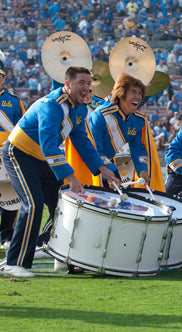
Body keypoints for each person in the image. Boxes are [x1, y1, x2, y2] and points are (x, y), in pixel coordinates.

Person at [2, 66, 121, 278]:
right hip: (18, 154)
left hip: (41, 159)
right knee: (33, 204)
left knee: (60, 205)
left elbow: (82, 142)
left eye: (88, 83)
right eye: (81, 83)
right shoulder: (52, 106)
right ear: (67, 85)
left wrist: (104, 169)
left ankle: (59, 253)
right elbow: (49, 146)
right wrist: (72, 178)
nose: (86, 88)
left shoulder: (80, 109)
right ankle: (14, 262)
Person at [86, 73, 164, 191]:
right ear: (121, 93)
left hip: (106, 161)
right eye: (132, 92)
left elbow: (137, 148)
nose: (137, 97)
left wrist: (142, 169)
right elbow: (94, 149)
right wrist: (111, 172)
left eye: (140, 93)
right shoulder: (101, 115)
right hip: (87, 162)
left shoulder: (138, 120)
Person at [0, 60, 25, 250]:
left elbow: (22, 129)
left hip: (7, 154)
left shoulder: (15, 102)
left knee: (11, 196)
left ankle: (6, 235)